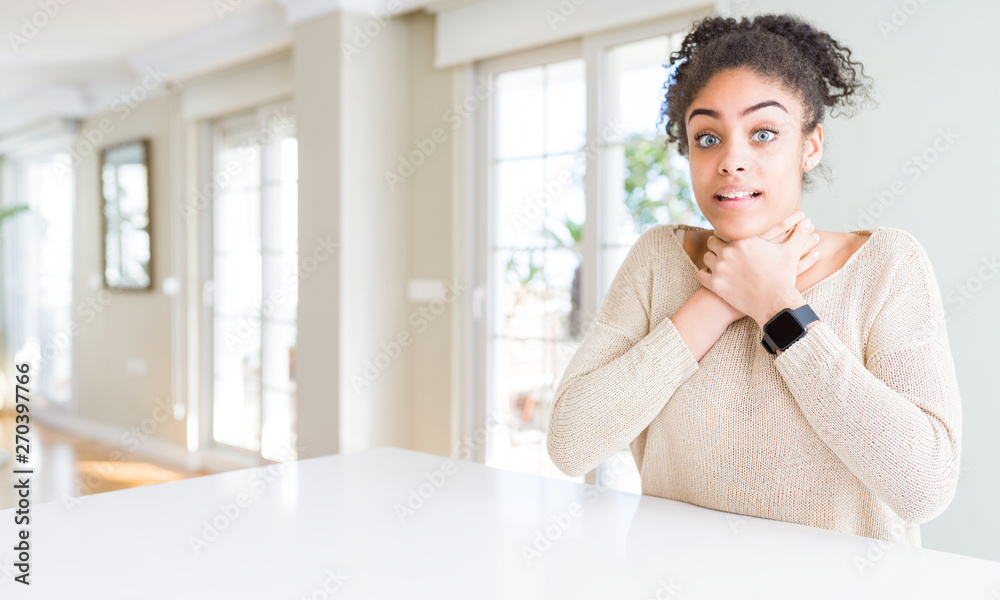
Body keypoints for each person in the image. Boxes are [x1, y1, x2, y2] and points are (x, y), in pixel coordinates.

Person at [545, 13, 962, 547]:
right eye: (708, 136)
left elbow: (924, 488)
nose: (731, 161)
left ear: (810, 146)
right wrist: (716, 299)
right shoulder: (657, 259)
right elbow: (571, 443)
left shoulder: (886, 265)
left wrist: (776, 306)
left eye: (763, 133)